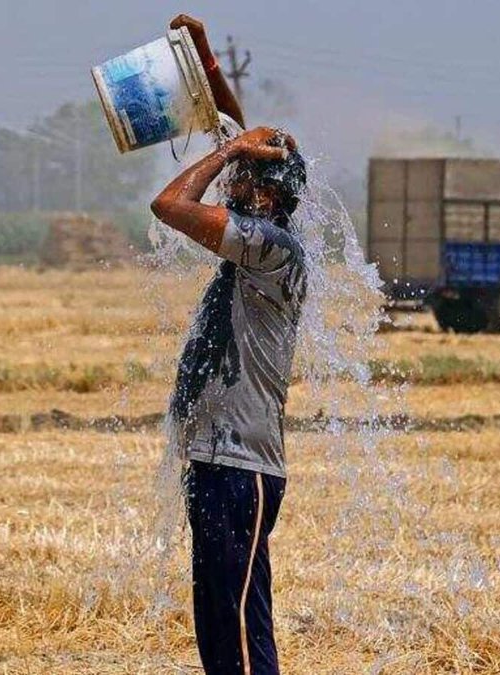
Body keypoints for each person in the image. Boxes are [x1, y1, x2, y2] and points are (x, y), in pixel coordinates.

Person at [150, 14, 308, 675]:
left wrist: (224, 151)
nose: (230, 182)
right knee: (228, 631)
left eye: (243, 178)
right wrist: (207, 62)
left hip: (241, 469)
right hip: (221, 462)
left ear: (267, 199)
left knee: (237, 636)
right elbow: (238, 138)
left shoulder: (269, 248)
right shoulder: (262, 236)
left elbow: (169, 203)